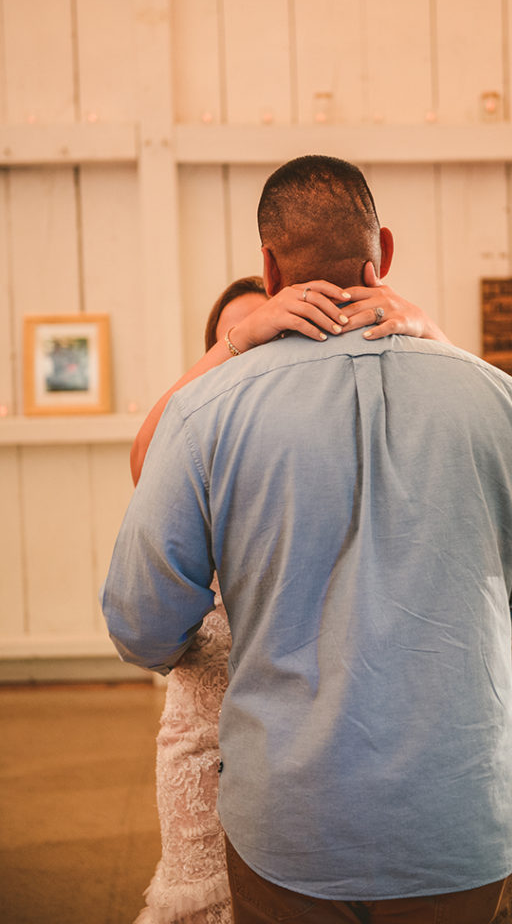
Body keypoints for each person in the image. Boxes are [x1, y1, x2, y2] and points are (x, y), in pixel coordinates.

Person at [102, 155, 512, 923]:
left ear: (267, 265)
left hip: (292, 829)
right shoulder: (500, 401)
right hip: (457, 822)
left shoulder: (207, 413)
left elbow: (139, 620)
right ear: (381, 252)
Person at [133, 272, 449, 924]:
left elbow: (462, 427)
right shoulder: (199, 436)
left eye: (287, 333)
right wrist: (237, 339)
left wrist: (429, 332)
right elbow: (144, 458)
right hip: (207, 743)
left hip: (315, 755)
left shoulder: (328, 439)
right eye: (261, 335)